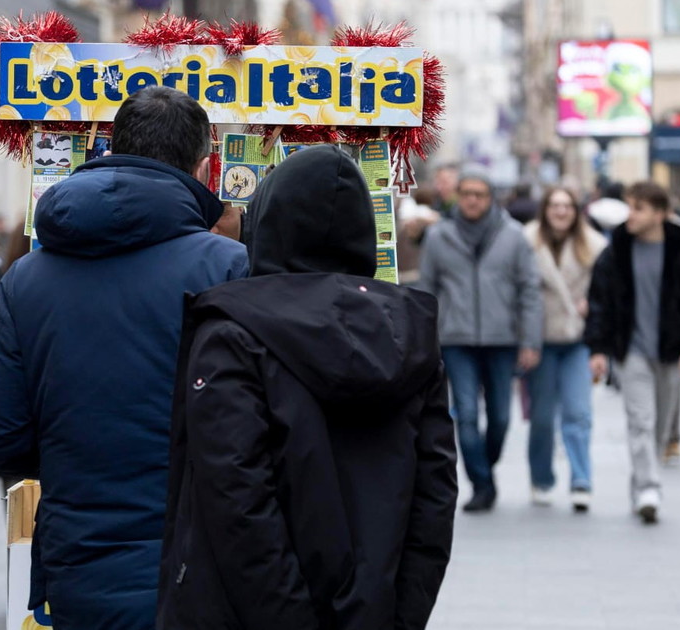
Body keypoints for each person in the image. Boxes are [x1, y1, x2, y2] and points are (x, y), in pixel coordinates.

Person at [0, 86, 249, 629]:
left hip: (80, 563)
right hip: (200, 559)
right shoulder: (227, 267)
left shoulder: (28, 277)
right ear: (203, 165)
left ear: (112, 148)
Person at [158, 145, 456, 630]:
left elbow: (236, 497)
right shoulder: (409, 333)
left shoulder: (234, 331)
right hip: (374, 610)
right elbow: (434, 499)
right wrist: (403, 614)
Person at [420, 171, 543, 512]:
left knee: (501, 417)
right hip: (457, 339)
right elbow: (428, 290)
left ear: (491, 199)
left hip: (502, 338)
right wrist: (426, 340)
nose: (472, 200)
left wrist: (531, 340)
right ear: (458, 196)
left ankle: (484, 466)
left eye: (480, 194)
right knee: (467, 414)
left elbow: (529, 291)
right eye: (467, 193)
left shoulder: (514, 236)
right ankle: (482, 483)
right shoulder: (439, 236)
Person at [585, 181, 680, 524]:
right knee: (640, 421)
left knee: (660, 425)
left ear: (660, 213)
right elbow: (599, 300)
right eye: (629, 206)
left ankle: (641, 484)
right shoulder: (616, 248)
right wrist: (599, 348)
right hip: (629, 350)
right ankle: (649, 487)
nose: (629, 215)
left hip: (671, 350)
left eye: (638, 208)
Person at [522, 188, 607, 511]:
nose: (560, 211)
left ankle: (581, 480)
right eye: (555, 205)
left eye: (567, 206)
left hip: (577, 340)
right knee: (542, 417)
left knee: (578, 412)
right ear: (545, 209)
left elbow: (606, 291)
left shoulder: (595, 246)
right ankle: (541, 478)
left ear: (576, 210)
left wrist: (593, 306)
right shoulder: (527, 241)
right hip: (540, 340)